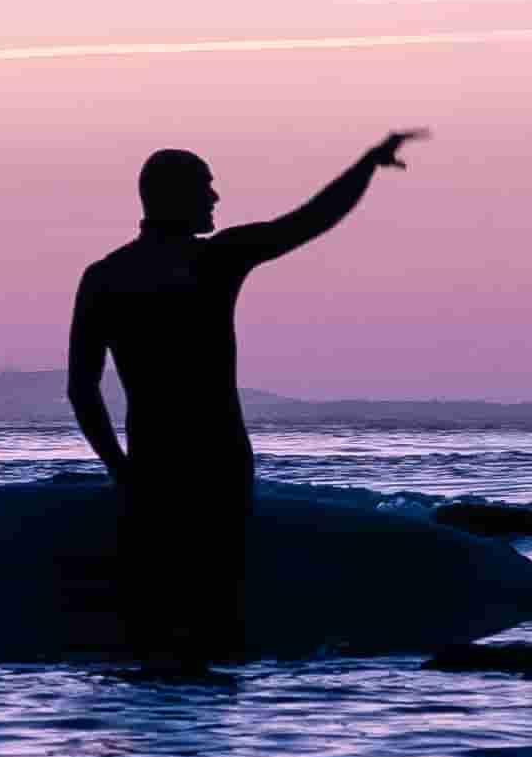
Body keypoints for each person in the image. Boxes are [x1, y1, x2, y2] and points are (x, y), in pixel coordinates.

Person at [67, 130, 422, 665]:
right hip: (218, 463)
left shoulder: (105, 276)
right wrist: (366, 166)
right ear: (177, 195)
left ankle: (156, 692)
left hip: (152, 466)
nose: (215, 198)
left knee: (156, 608)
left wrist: (118, 467)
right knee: (217, 603)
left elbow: (82, 389)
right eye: (206, 187)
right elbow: (307, 223)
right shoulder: (216, 260)